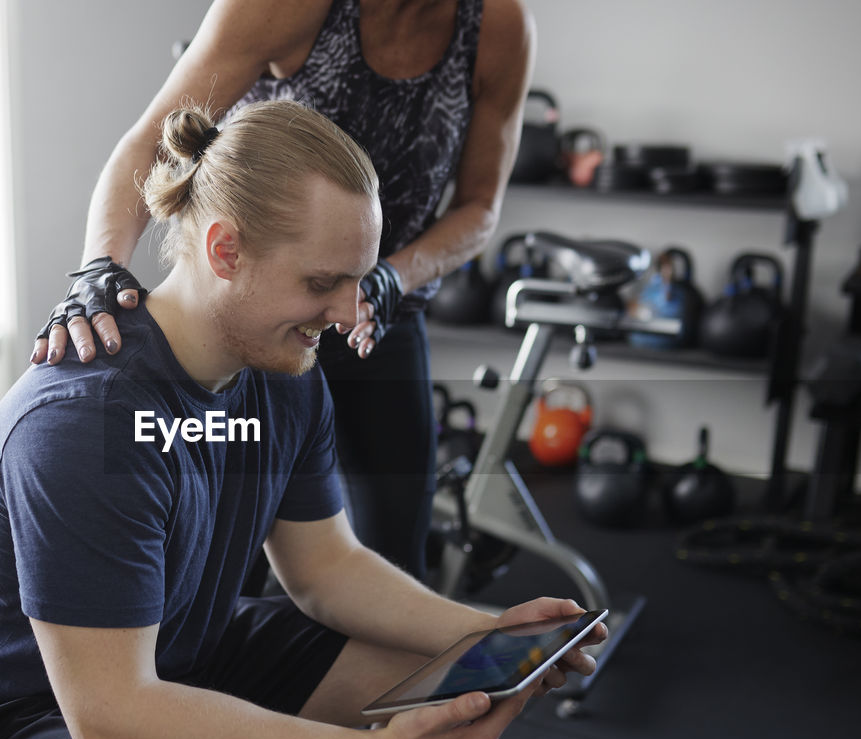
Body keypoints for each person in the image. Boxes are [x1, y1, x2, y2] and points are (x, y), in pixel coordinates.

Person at [0, 101, 601, 739]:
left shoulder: (283, 371)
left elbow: (327, 568)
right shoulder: (86, 421)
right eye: (322, 282)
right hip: (27, 723)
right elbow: (111, 718)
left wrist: (488, 631)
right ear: (224, 250)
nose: (348, 312)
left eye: (359, 280)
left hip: (180, 644)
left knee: (448, 679)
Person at [31, 0, 535, 584]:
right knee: (224, 559)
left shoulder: (498, 24)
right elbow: (152, 141)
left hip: (378, 316)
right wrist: (101, 269)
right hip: (259, 318)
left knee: (395, 548)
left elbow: (480, 207)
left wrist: (391, 277)